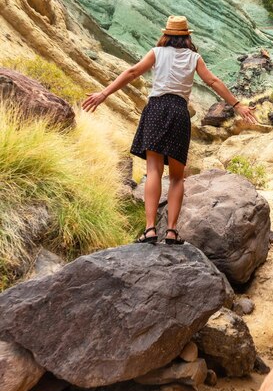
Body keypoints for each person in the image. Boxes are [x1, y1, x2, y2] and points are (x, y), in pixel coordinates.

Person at [81, 15, 257, 245]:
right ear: (187, 37)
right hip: (178, 112)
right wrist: (237, 105)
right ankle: (172, 231)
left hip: (156, 108)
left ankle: (150, 229)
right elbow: (213, 81)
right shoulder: (194, 58)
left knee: (153, 171)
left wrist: (103, 94)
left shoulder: (157, 53)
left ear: (166, 34)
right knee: (176, 177)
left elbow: (133, 72)